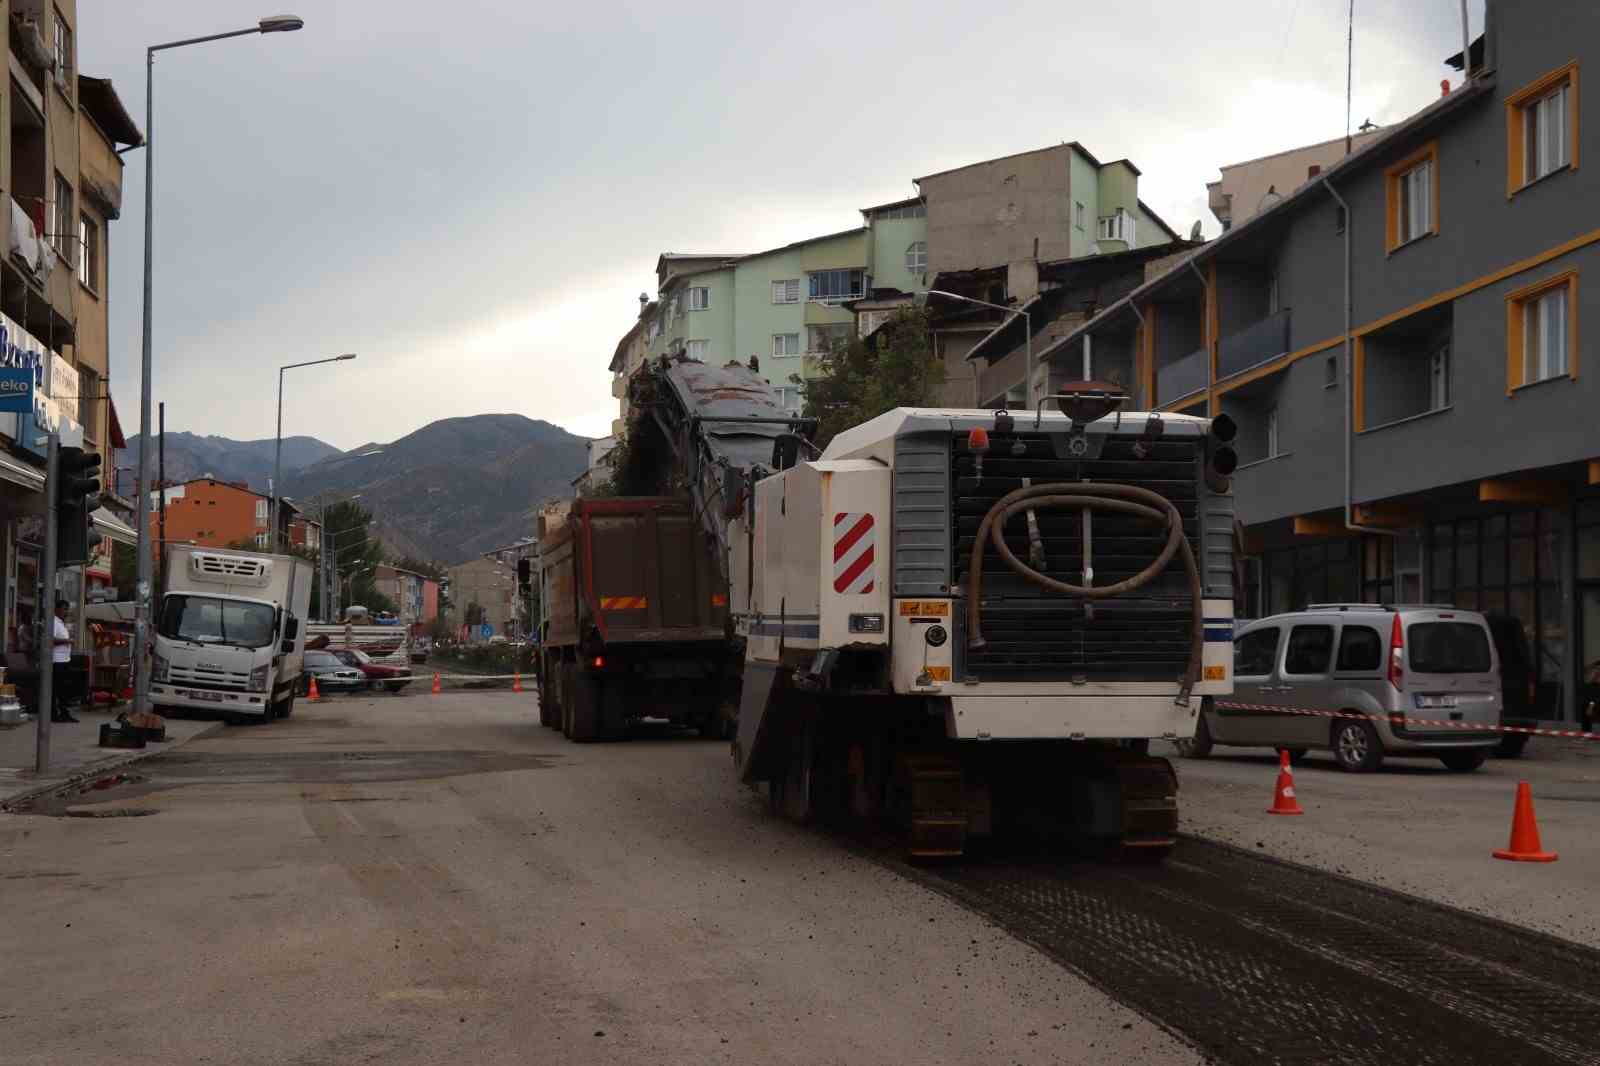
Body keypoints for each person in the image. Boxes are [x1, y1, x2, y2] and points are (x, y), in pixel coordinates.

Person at [51, 599, 78, 724]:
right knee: (58, 688)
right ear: (57, 609)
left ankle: (63, 713)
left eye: (67, 609)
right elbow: (50, 639)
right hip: (57, 661)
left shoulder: (61, 623)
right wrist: (68, 641)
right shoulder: (53, 622)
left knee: (64, 688)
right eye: (64, 609)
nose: (66, 612)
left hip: (65, 660)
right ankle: (56, 714)